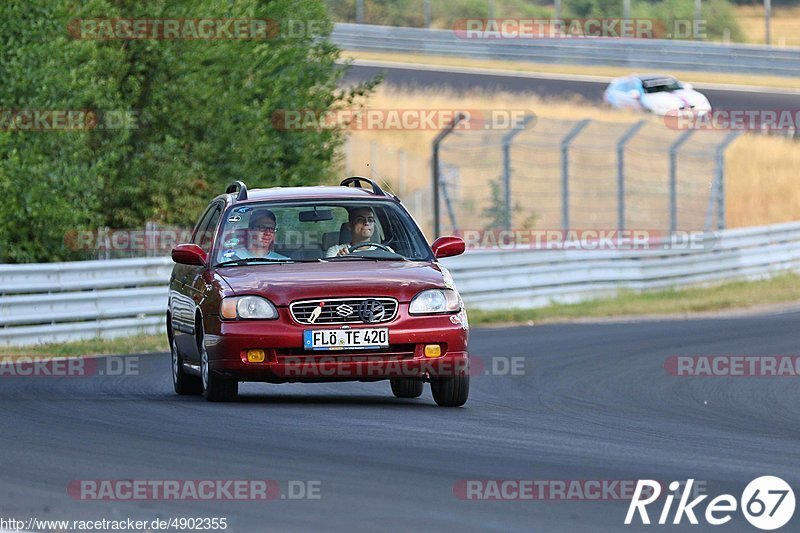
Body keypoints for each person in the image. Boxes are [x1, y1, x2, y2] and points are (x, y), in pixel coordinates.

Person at [221, 208, 289, 261]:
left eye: (271, 229)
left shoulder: (284, 262)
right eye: (262, 228)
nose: (267, 233)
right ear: (250, 230)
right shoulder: (229, 259)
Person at [325, 206, 392, 257]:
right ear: (350, 225)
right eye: (360, 220)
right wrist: (338, 260)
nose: (366, 223)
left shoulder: (386, 251)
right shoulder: (336, 251)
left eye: (370, 220)